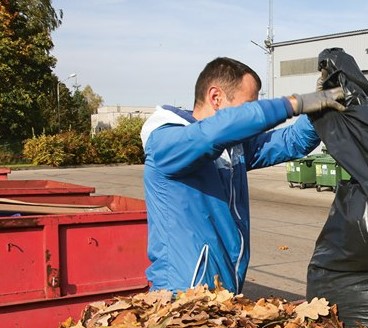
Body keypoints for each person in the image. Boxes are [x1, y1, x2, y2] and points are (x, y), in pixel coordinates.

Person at [140, 57, 344, 294]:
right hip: (182, 297)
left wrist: (318, 111)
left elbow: (290, 142)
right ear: (216, 97)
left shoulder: (232, 148)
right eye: (249, 106)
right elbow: (211, 134)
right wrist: (294, 104)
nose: (253, 117)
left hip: (223, 291)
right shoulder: (168, 144)